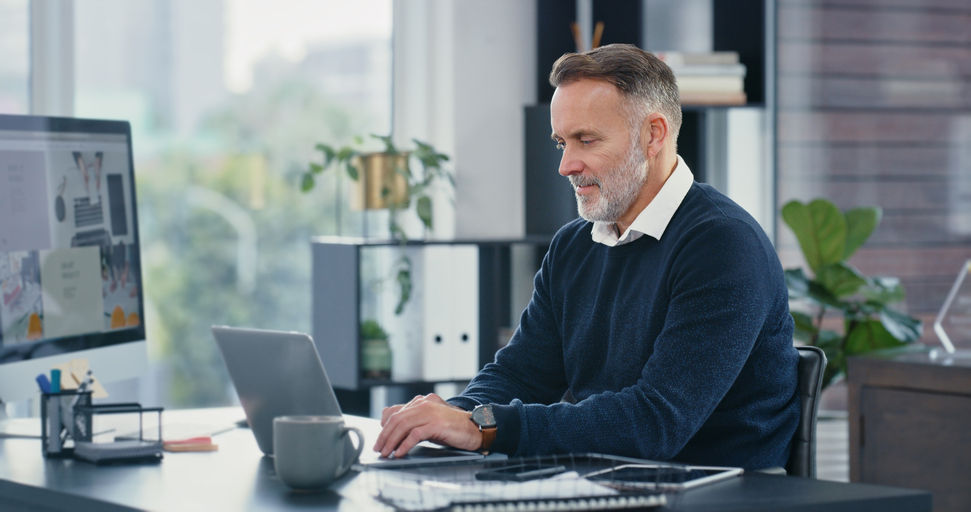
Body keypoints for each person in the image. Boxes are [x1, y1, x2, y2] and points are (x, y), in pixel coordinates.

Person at [374, 44, 799, 470]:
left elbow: (655, 422)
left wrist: (482, 427)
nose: (565, 165)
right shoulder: (573, 245)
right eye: (561, 142)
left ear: (654, 135)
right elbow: (520, 374)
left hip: (722, 489)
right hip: (609, 477)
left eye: (586, 140)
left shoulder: (723, 245)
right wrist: (448, 417)